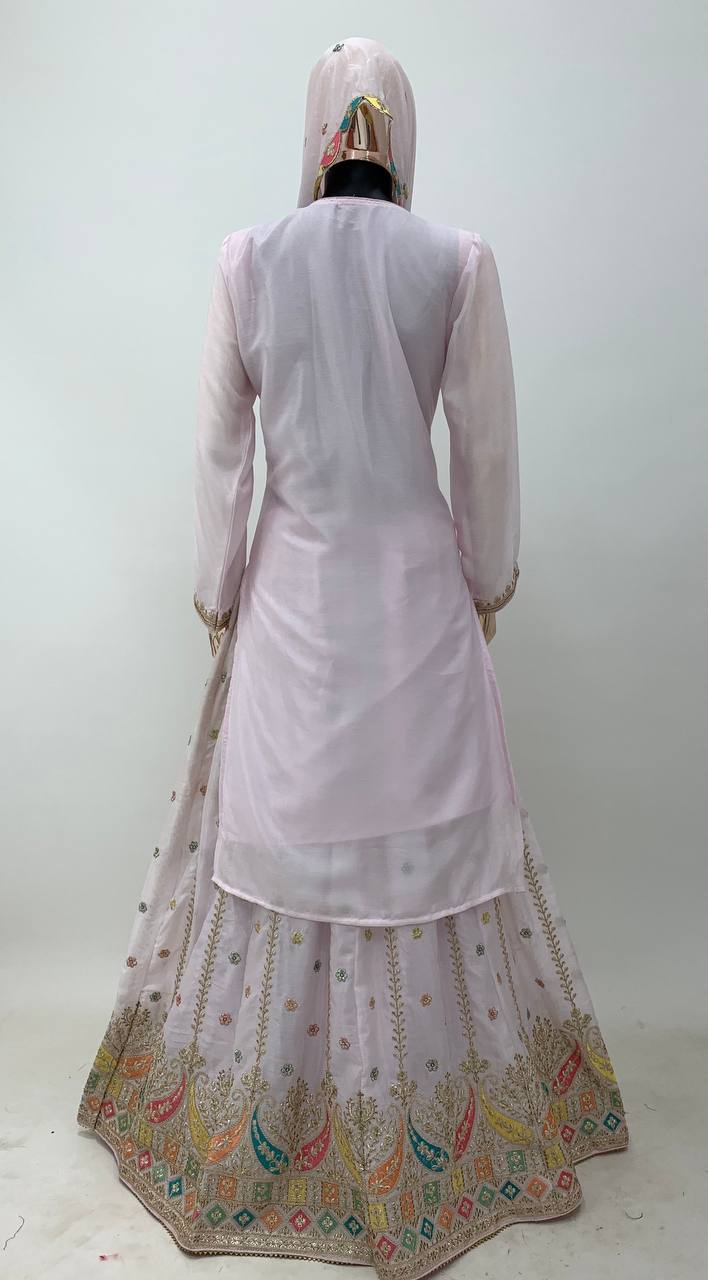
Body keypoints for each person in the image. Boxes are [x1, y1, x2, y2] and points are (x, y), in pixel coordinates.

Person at [77, 36, 629, 1277]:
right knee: (416, 846)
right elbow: (485, 446)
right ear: (401, 131)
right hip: (416, 594)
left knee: (295, 837)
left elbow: (220, 450)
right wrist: (487, 575)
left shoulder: (249, 259)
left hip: (294, 597)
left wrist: (217, 584)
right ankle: (429, 1119)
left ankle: (277, 1118)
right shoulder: (456, 260)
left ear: (314, 128)